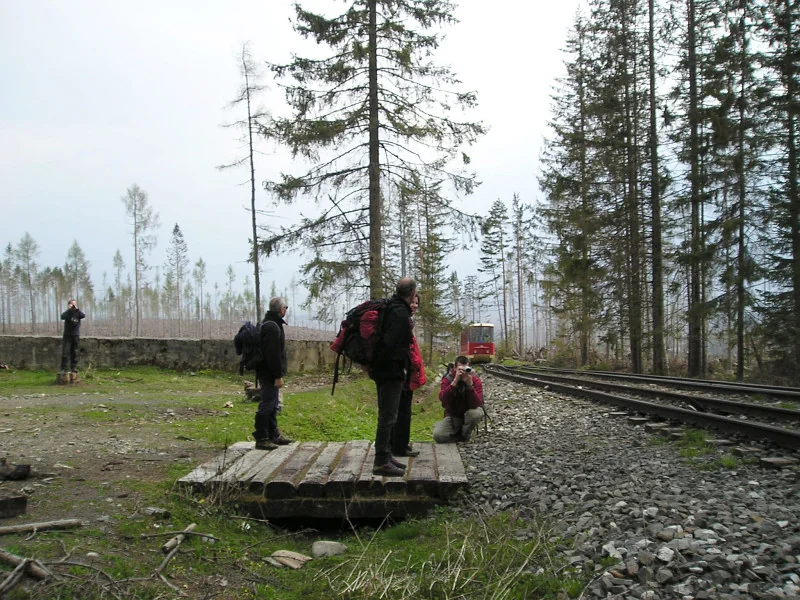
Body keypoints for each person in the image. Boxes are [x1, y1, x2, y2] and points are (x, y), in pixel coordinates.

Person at [369, 277, 417, 476]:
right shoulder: (400, 313)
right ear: (412, 293)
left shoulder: (392, 308)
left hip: (383, 371)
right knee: (388, 417)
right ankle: (381, 461)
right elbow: (391, 345)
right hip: (390, 372)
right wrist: (401, 367)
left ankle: (386, 455)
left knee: (388, 415)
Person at [252, 297, 293, 451]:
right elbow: (273, 354)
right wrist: (278, 375)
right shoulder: (273, 327)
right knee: (267, 404)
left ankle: (273, 435)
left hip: (266, 371)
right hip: (268, 373)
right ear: (281, 309)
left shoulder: (268, 323)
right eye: (285, 307)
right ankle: (262, 438)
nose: (286, 310)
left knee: (273, 404)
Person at [391, 292, 425, 458]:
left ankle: (396, 444)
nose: (415, 305)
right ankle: (399, 447)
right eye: (413, 302)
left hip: (399, 371)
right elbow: (407, 349)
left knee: (398, 410)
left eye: (417, 303)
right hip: (402, 373)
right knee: (403, 411)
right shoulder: (404, 320)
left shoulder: (402, 318)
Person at [434, 356, 484, 443]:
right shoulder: (448, 379)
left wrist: (470, 387)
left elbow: (475, 404)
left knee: (475, 414)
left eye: (466, 369)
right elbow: (443, 400)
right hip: (454, 415)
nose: (463, 372)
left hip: (469, 413)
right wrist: (454, 382)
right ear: (454, 368)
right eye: (460, 369)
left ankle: (465, 435)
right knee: (438, 436)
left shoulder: (475, 381)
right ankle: (459, 436)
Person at [59, 299, 86, 374]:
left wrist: (77, 309)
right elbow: (62, 317)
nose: (73, 306)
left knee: (74, 352)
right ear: (69, 305)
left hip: (75, 335)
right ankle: (64, 369)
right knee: (65, 352)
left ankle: (73, 368)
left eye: (75, 304)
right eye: (72, 304)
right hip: (67, 335)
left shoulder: (78, 312)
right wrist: (69, 310)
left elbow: (83, 315)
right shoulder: (67, 313)